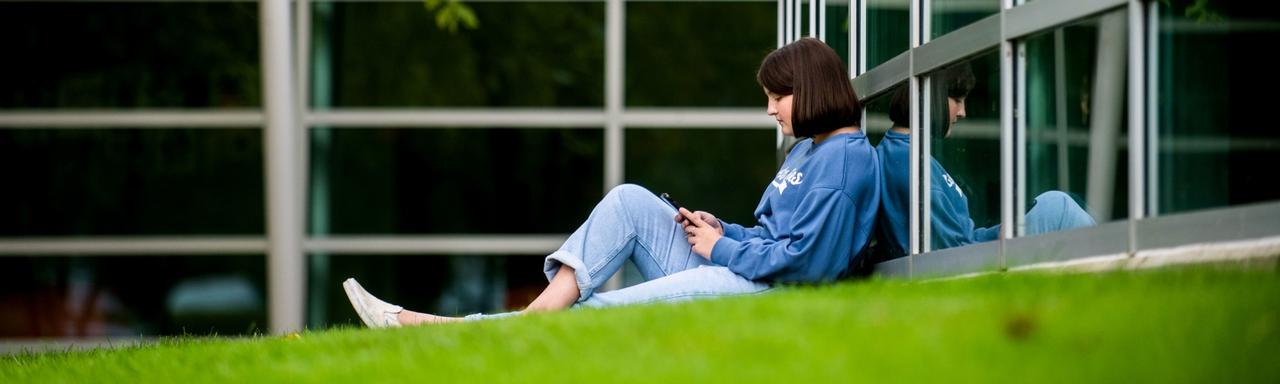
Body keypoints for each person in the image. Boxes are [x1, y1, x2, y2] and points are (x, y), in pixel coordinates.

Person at [342, 37, 881, 328]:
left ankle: (443, 329)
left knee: (596, 310)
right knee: (628, 201)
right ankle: (538, 312)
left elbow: (808, 264)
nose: (770, 110)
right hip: (748, 269)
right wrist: (723, 231)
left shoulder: (844, 162)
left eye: (778, 97)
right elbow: (775, 236)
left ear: (810, 89)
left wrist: (721, 249)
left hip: (767, 293)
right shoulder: (811, 149)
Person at [875, 64, 1095, 258]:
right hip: (971, 267)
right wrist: (997, 242)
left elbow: (960, 239)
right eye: (957, 100)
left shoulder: (900, 152)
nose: (963, 112)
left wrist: (998, 233)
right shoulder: (910, 163)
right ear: (933, 96)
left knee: (1057, 204)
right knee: (1059, 208)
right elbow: (950, 255)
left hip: (974, 253)